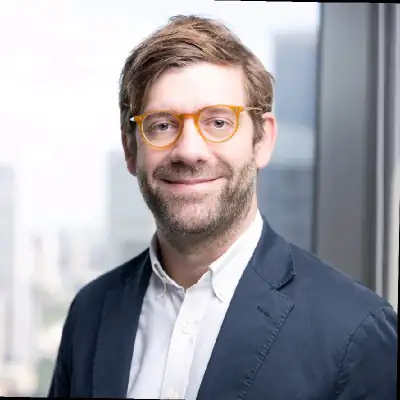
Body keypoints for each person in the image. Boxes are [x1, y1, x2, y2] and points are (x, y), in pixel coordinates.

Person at [48, 15, 397, 400]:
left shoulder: (357, 333)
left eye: (217, 122)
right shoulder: (91, 313)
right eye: (162, 125)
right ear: (131, 149)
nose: (189, 151)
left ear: (262, 141)